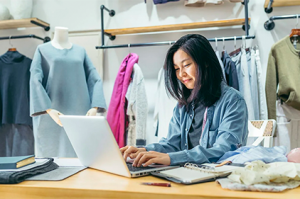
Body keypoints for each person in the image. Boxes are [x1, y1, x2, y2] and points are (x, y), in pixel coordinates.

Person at [121, 34, 248, 167]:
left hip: (218, 179)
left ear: (205, 62)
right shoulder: (183, 106)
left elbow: (225, 151)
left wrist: (170, 158)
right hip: (187, 175)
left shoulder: (233, 101)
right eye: (177, 68)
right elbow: (172, 144)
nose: (181, 74)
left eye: (186, 65)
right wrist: (144, 151)